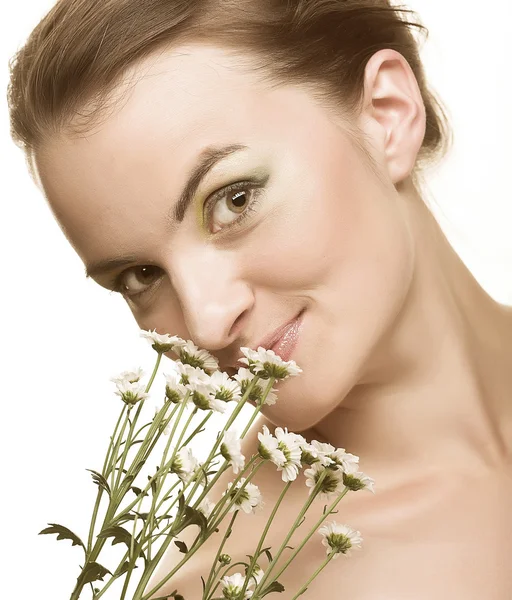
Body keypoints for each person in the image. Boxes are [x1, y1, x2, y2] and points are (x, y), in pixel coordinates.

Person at [7, 0, 512, 597]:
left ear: (387, 115)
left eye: (234, 199)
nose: (207, 322)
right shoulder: (242, 582)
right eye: (141, 275)